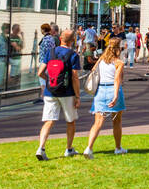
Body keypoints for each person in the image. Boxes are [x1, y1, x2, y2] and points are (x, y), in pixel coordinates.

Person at [35, 27, 81, 160]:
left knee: (49, 121)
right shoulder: (73, 55)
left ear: (60, 38)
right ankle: (69, 148)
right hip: (67, 92)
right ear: (73, 40)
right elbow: (74, 77)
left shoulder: (51, 52)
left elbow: (40, 72)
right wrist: (77, 96)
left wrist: (49, 81)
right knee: (70, 121)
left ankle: (41, 148)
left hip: (51, 91)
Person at [84, 38, 127, 157]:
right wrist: (116, 95)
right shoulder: (119, 62)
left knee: (98, 122)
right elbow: (117, 80)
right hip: (112, 90)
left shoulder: (101, 59)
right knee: (117, 121)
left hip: (100, 91)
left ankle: (89, 148)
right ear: (118, 48)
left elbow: (93, 71)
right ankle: (118, 148)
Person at [0, 23, 11, 87]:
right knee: (0, 77)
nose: (9, 30)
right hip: (1, 60)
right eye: (8, 28)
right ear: (5, 29)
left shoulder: (6, 38)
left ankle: (0, 91)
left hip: (4, 60)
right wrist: (0, 58)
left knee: (3, 77)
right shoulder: (0, 38)